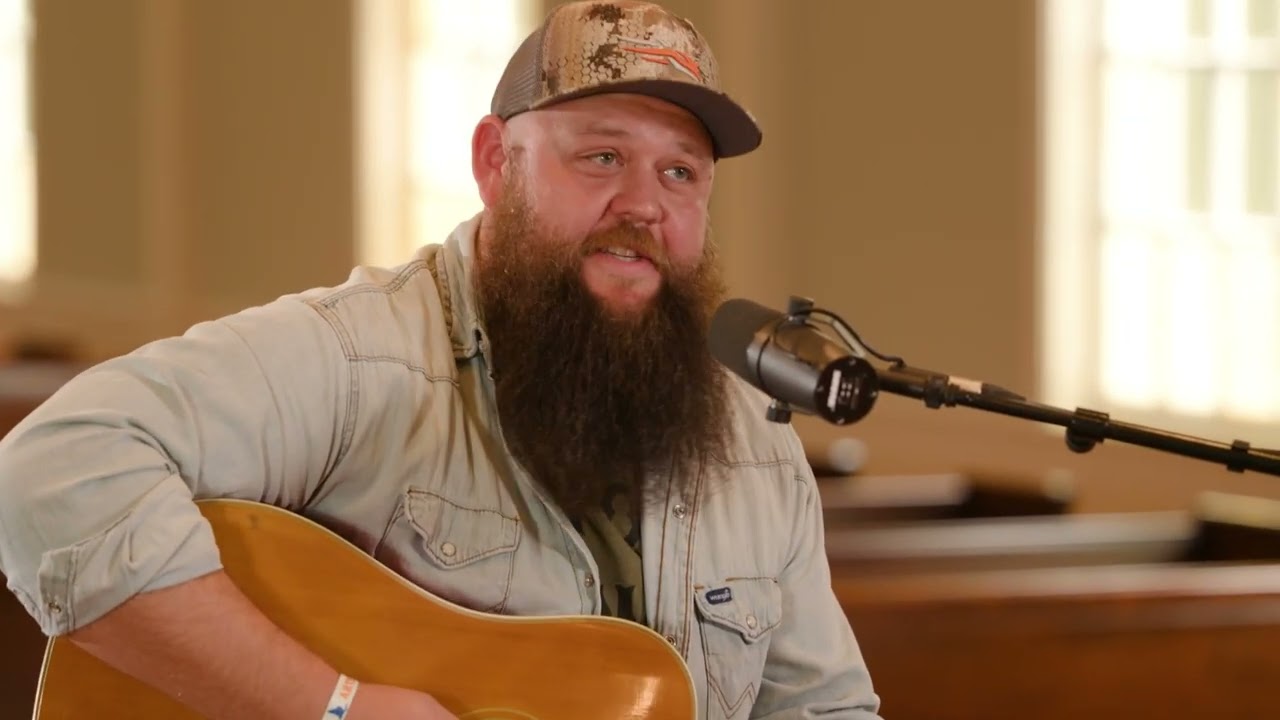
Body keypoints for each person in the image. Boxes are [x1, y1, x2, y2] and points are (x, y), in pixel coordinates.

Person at [0, 2, 882, 718]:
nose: (644, 204)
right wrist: (328, 705)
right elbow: (49, 471)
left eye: (680, 173)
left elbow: (823, 707)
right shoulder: (361, 357)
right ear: (496, 163)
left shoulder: (755, 446)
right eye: (603, 156)